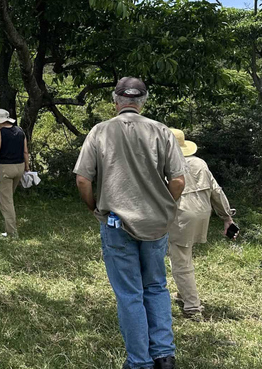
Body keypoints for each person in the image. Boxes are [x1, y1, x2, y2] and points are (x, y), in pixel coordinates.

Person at [74, 77, 186, 369]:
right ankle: (164, 355)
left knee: (129, 293)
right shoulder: (162, 131)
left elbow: (83, 179)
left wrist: (93, 207)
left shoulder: (100, 131)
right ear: (142, 102)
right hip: (155, 225)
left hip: (116, 223)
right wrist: (166, 207)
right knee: (156, 287)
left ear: (116, 102)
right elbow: (177, 179)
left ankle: (139, 362)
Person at [167, 128, 236, 319]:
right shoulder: (200, 162)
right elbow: (216, 190)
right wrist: (227, 217)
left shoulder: (165, 163)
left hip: (181, 214)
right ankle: (183, 294)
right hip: (203, 212)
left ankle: (192, 307)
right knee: (185, 255)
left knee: (180, 260)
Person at [0, 109, 30, 238]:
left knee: (6, 201)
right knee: (9, 198)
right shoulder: (20, 131)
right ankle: (10, 228)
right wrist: (27, 168)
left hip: (4, 169)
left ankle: (11, 233)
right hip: (19, 167)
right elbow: (25, 152)